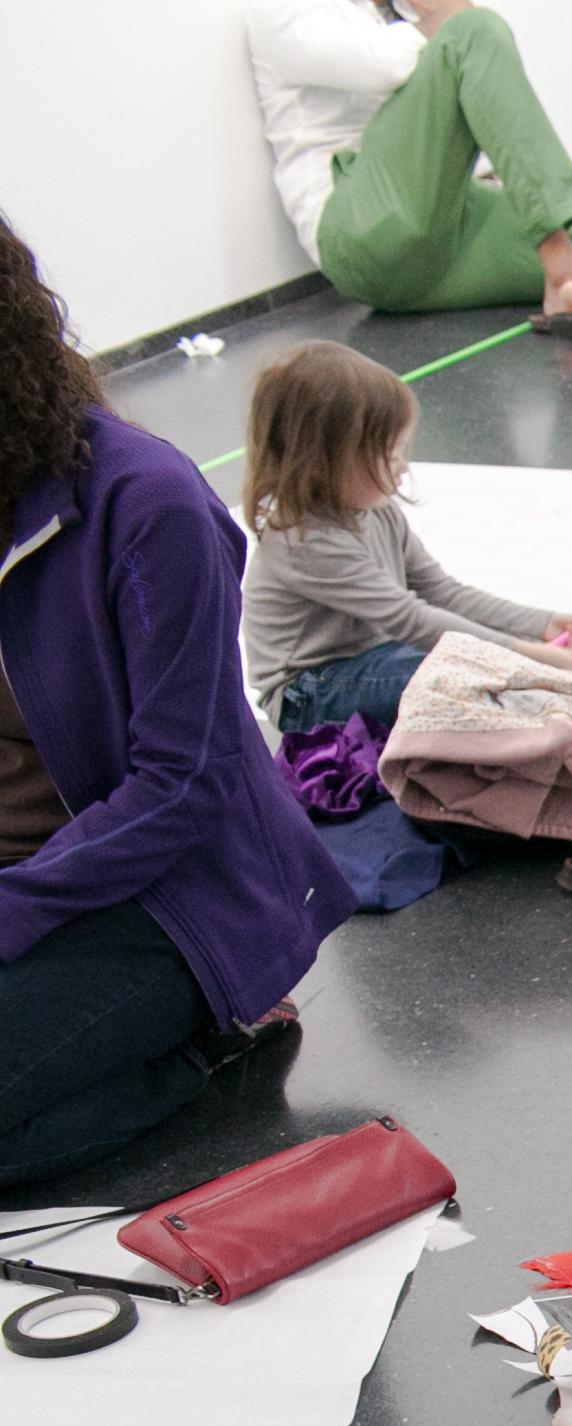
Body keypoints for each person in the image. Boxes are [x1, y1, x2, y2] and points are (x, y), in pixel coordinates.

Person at [0, 220, 353, 1187]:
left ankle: (203, 1050)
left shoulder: (144, 504)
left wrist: (9, 907)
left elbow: (182, 786)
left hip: (166, 891)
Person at [238, 342, 572, 736]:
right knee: (456, 671)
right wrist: (522, 657)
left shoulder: (376, 510)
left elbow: (440, 590)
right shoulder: (302, 539)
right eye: (388, 453)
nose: (402, 466)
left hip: (374, 660)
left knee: (464, 663)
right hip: (310, 693)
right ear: (323, 460)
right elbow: (408, 619)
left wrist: (540, 623)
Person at [241, 0, 572, 349]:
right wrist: (444, 12)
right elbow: (387, 67)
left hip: (446, 235)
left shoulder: (383, 14)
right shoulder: (282, 9)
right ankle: (561, 260)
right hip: (360, 232)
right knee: (476, 27)